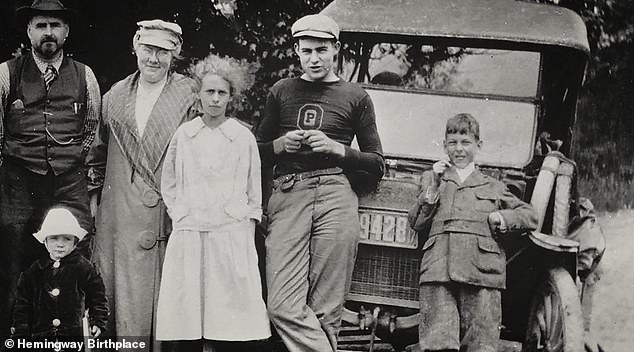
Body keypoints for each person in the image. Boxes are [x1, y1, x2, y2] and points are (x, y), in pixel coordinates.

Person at [256, 14, 385, 352]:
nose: (314, 59)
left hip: (335, 194)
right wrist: (279, 146)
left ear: (336, 50)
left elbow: (377, 163)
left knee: (327, 308)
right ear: (296, 50)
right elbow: (254, 153)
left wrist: (339, 149)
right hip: (288, 192)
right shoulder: (281, 91)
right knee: (281, 304)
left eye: (322, 50)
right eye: (307, 50)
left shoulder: (356, 96)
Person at [86, 19, 198, 351]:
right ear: (136, 46)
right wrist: (95, 201)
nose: (154, 59)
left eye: (163, 51)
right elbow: (97, 152)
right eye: (148, 49)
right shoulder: (115, 94)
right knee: (117, 296)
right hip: (119, 214)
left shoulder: (190, 93)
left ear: (175, 53)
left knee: (164, 296)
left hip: (169, 212)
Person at [156, 54, 270, 352]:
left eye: (222, 93)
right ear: (198, 95)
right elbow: (168, 180)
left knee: (228, 313)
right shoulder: (185, 134)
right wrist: (179, 213)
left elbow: (253, 188)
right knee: (188, 311)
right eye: (210, 92)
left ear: (231, 97)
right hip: (191, 232)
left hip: (229, 234)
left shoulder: (242, 137)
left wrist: (246, 223)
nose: (216, 99)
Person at [0, 0, 100, 338]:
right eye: (41, 25)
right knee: (13, 260)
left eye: (54, 26)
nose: (48, 33)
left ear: (66, 32)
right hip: (19, 184)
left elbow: (90, 130)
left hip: (68, 183)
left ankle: (76, 337)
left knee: (76, 259)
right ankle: (15, 337)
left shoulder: (85, 76)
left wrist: (69, 159)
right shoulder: (6, 73)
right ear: (29, 31)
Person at [408, 113, 538, 352]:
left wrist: (503, 217)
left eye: (466, 142)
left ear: (478, 145)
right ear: (444, 145)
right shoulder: (431, 179)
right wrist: (434, 186)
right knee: (437, 345)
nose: (459, 150)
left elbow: (530, 215)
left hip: (482, 273)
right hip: (439, 271)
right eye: (452, 143)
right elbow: (416, 222)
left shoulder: (495, 185)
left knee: (481, 345)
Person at [11, 207, 108, 343]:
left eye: (67, 239)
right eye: (54, 238)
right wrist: (21, 332)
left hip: (72, 334)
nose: (60, 244)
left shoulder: (83, 268)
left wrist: (98, 320)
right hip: (42, 336)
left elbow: (97, 296)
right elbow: (23, 305)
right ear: (45, 241)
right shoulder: (34, 271)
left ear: (75, 243)